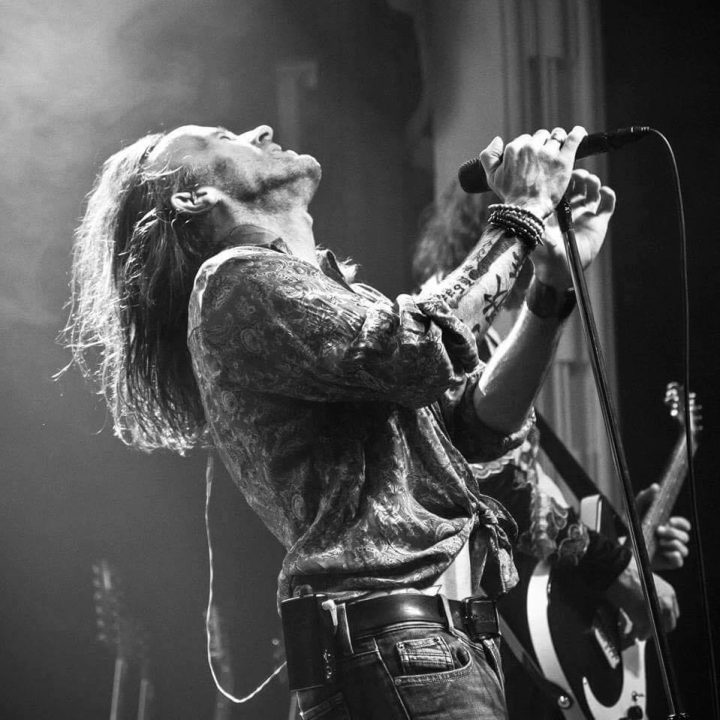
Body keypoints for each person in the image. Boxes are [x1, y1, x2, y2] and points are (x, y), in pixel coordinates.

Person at [65, 122, 614, 719]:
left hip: (436, 645)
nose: (262, 128)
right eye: (222, 135)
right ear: (192, 196)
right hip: (398, 646)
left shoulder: (330, 296)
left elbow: (471, 429)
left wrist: (552, 290)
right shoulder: (231, 282)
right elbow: (418, 349)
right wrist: (524, 210)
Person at [413, 179, 692, 719]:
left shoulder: (501, 340)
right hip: (464, 642)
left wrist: (628, 544)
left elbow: (521, 504)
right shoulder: (450, 327)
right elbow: (490, 484)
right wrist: (613, 566)